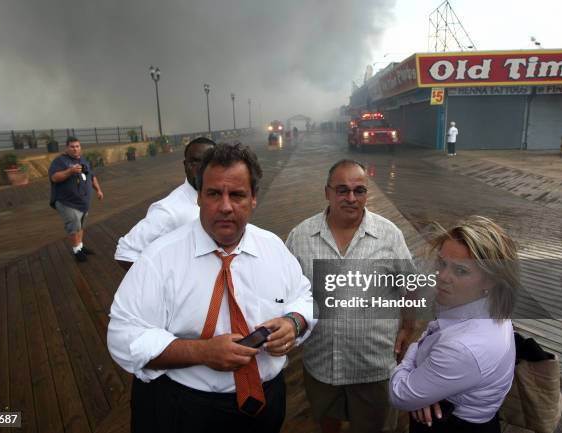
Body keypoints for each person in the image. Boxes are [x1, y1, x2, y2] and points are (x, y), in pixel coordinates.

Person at [107, 143, 316, 433]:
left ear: (253, 198)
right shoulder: (159, 258)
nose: (226, 206)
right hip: (187, 410)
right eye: (214, 193)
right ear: (199, 197)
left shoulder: (273, 248)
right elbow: (122, 336)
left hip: (267, 403)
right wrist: (201, 352)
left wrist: (294, 321)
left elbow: (304, 296)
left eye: (238, 194)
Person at [285, 159, 416, 433]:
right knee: (327, 422)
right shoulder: (300, 237)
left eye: (359, 190)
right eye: (342, 190)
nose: (351, 198)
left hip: (373, 365)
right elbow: (286, 290)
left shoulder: (388, 236)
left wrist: (407, 326)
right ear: (327, 192)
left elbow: (411, 284)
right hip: (321, 363)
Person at [389, 216, 519, 433]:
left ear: (490, 279)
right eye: (441, 263)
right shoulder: (487, 306)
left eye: (461, 271)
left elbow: (400, 394)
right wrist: (430, 389)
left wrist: (413, 352)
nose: (441, 276)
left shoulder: (463, 348)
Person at [114, 137, 216, 270]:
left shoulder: (220, 197)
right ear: (185, 165)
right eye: (195, 162)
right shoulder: (169, 209)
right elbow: (125, 253)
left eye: (208, 162)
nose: (202, 168)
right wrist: (164, 282)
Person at [49, 136, 104, 262]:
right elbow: (54, 177)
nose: (75, 149)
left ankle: (80, 247)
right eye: (72, 147)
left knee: (80, 225)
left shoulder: (83, 160)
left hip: (83, 202)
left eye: (77, 146)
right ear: (67, 148)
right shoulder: (60, 161)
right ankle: (76, 251)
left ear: (80, 147)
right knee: (74, 224)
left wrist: (98, 190)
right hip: (66, 201)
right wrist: (70, 171)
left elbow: (92, 176)